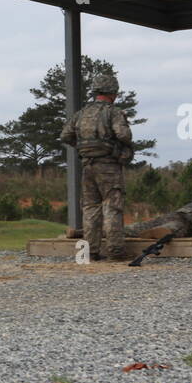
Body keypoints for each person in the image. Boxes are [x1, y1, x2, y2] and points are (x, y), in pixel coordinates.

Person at [59, 73, 134, 261]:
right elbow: (124, 135)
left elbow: (65, 135)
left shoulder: (81, 113)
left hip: (88, 167)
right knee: (112, 206)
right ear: (113, 92)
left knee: (90, 208)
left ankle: (89, 252)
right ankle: (115, 251)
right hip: (108, 167)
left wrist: (84, 147)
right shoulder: (113, 112)